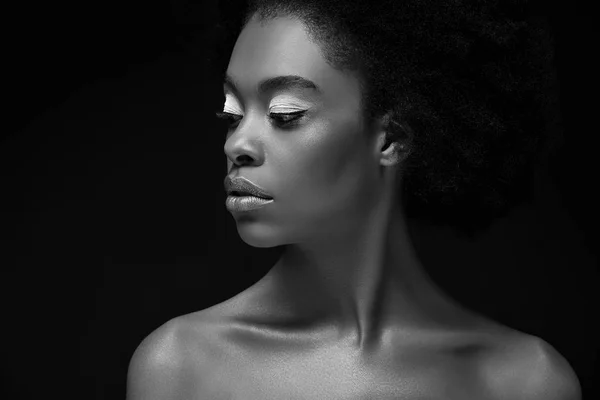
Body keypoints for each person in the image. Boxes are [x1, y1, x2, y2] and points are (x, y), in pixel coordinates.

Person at [126, 0, 581, 398]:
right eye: (232, 113)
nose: (236, 144)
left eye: (285, 114)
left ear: (391, 140)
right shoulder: (180, 367)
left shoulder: (525, 382)